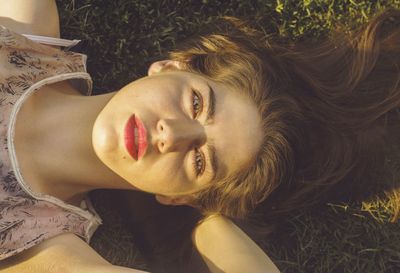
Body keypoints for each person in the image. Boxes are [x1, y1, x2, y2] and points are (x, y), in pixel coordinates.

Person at [0, 1, 399, 273]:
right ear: (171, 66)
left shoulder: (42, 248)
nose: (170, 135)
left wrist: (213, 226)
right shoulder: (25, 23)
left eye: (200, 160)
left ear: (178, 198)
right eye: (195, 104)